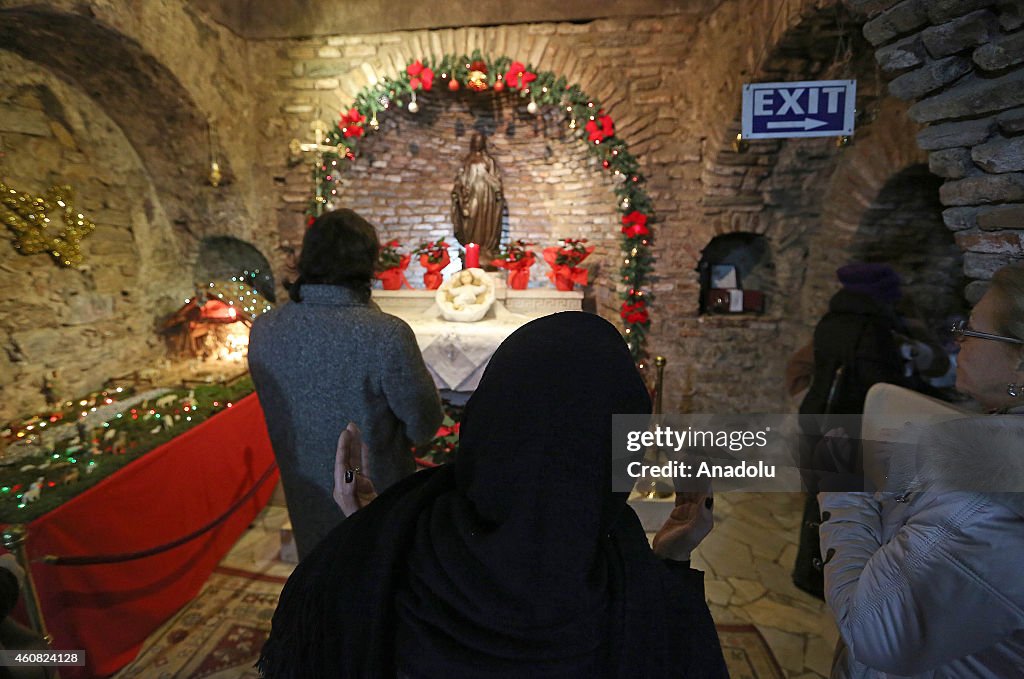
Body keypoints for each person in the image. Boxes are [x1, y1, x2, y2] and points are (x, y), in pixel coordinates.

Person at [257, 312, 728, 679]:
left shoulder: (402, 543)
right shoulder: (636, 590)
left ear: (489, 417)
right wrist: (670, 561)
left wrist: (368, 539)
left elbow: (328, 643)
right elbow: (682, 658)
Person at [819, 262, 1024, 678]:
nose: (961, 340)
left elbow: (870, 628)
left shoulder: (980, 497)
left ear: (1020, 362)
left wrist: (842, 485)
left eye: (973, 330)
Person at [248, 209, 443, 560]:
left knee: (319, 575)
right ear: (367, 263)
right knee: (372, 583)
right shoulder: (386, 334)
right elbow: (424, 425)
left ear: (306, 258)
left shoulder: (264, 329)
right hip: (373, 499)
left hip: (304, 494)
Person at [793, 263, 910, 599]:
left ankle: (809, 572)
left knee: (817, 503)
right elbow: (880, 387)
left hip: (818, 418)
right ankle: (831, 581)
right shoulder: (872, 330)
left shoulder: (831, 320)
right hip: (849, 425)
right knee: (847, 509)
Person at [451, 132, 504, 264]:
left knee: (486, 221)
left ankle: (486, 250)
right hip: (470, 196)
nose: (477, 143)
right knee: (470, 222)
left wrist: (496, 189)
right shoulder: (467, 160)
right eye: (475, 141)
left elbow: (496, 179)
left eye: (480, 141)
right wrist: (458, 191)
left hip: (487, 196)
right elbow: (461, 179)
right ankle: (471, 251)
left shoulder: (489, 161)